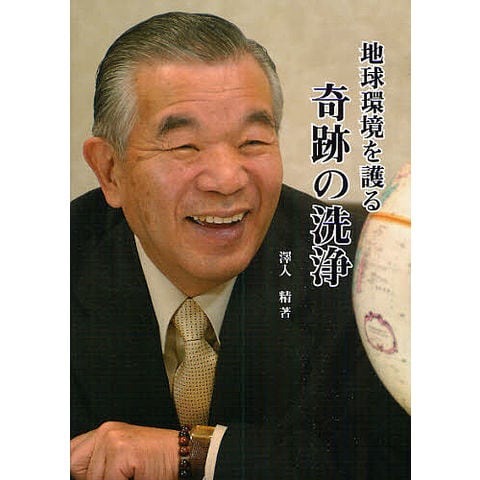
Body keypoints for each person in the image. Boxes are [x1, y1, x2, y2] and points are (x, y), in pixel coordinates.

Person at [70, 11, 410, 480]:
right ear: (110, 170)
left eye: (252, 141)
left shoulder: (365, 265)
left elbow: (395, 459)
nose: (227, 179)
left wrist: (191, 454)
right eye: (185, 146)